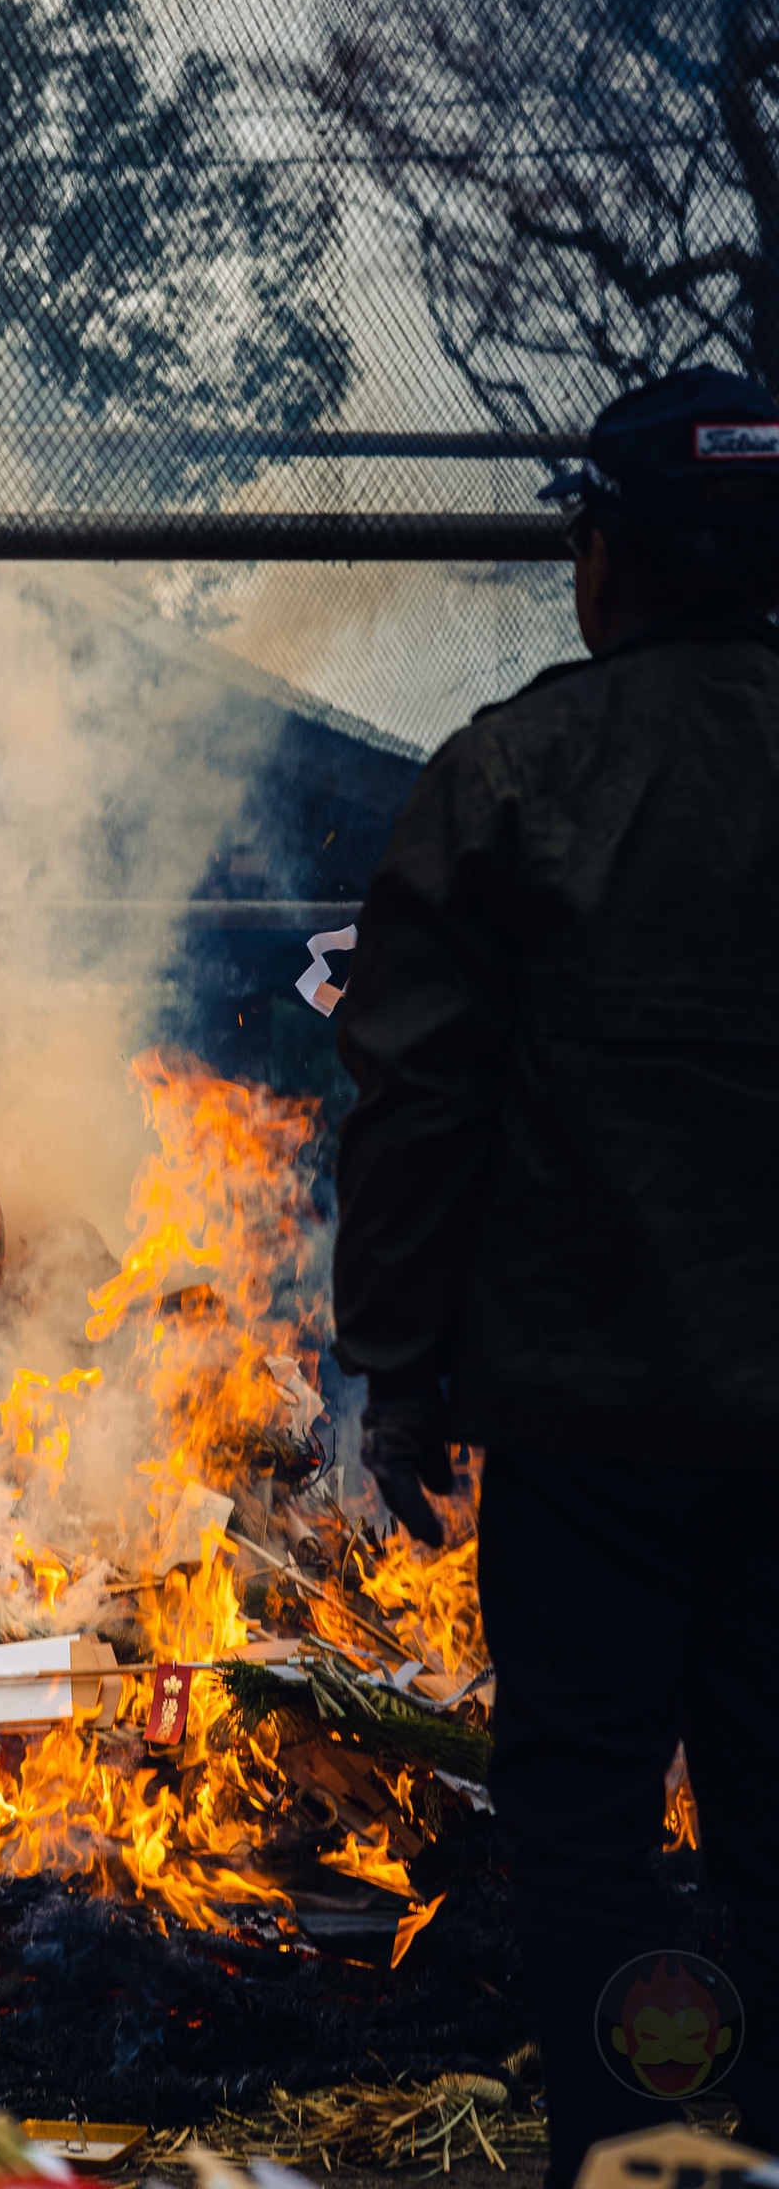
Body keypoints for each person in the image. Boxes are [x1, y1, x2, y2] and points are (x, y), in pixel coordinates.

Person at [330, 366, 779, 2178]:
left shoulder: (509, 775)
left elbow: (417, 1106)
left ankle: (629, 2148)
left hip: (588, 1428)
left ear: (610, 560)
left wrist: (402, 1373)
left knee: (586, 1823)